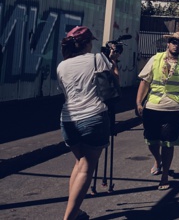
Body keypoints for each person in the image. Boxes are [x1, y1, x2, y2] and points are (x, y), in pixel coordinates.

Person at [57, 26, 119, 220]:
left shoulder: (62, 65)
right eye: (90, 41)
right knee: (86, 167)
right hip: (93, 117)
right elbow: (114, 82)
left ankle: (75, 212)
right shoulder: (96, 58)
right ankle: (69, 216)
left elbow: (65, 92)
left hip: (68, 120)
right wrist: (113, 60)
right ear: (85, 43)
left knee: (79, 164)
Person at [136, 32, 179, 191]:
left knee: (168, 143)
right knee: (151, 141)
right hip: (153, 106)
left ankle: (164, 176)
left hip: (175, 108)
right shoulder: (155, 59)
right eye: (173, 42)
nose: (176, 45)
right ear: (168, 43)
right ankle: (158, 160)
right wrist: (138, 102)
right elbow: (145, 81)